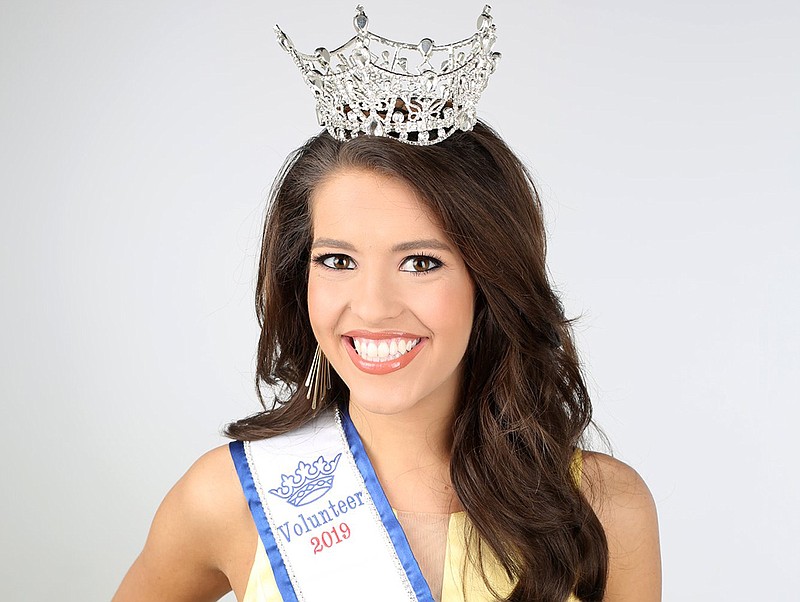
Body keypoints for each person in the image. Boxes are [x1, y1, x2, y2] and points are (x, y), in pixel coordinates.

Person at [113, 6, 660, 602]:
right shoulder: (230, 498)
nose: (372, 308)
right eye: (337, 261)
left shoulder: (602, 509)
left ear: (490, 279)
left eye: (421, 262)